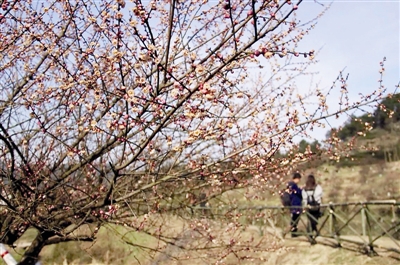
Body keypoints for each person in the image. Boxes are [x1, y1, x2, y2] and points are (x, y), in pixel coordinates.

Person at [302, 174, 323, 240]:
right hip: (316, 206)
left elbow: (304, 198)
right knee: (315, 219)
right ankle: (314, 232)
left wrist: (305, 205)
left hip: (309, 206)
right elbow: (319, 196)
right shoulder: (317, 187)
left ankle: (312, 233)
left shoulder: (304, 189)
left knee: (310, 220)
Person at [287, 172, 302, 237]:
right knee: (295, 218)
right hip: (295, 203)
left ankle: (293, 231)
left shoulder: (290, 185)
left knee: (294, 218)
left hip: (294, 203)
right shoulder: (293, 185)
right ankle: (293, 232)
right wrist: (301, 190)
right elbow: (298, 192)